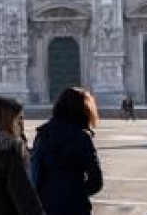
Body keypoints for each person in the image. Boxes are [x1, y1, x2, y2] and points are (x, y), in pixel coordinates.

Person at [31, 87, 103, 215]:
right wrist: (78, 193)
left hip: (47, 206)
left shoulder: (42, 134)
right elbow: (96, 181)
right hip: (76, 207)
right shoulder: (81, 137)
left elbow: (35, 174)